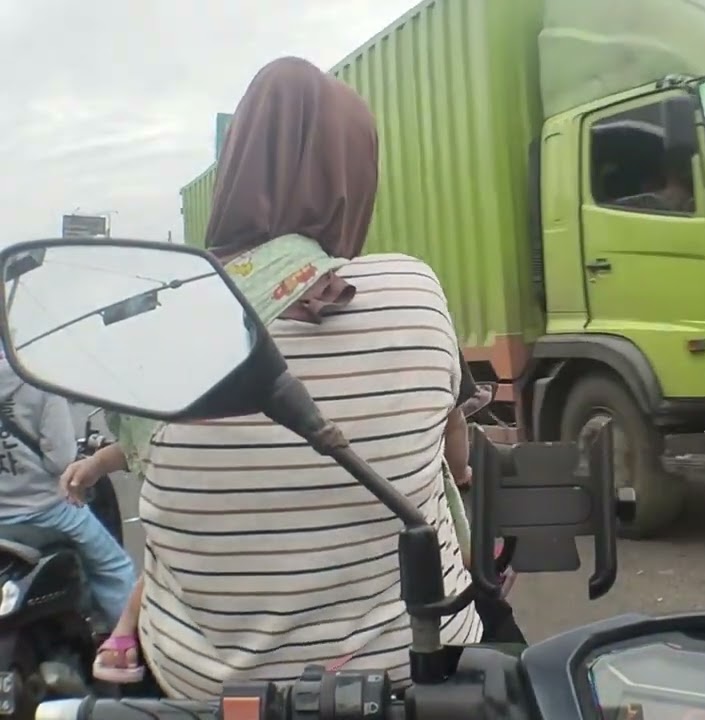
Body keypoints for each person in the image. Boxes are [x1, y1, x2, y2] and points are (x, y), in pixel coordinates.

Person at [61, 56, 492, 699]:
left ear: (238, 166)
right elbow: (450, 453)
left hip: (205, 690)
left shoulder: (153, 323)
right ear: (353, 177)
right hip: (410, 675)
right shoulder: (410, 288)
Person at [0, 352, 135, 628]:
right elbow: (59, 460)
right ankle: (130, 649)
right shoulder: (35, 374)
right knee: (115, 570)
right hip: (49, 511)